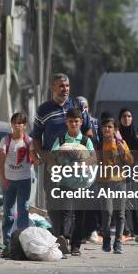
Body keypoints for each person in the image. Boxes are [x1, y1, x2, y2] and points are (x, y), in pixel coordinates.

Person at [31, 73, 91, 251]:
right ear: (53, 87)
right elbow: (36, 138)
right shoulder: (43, 110)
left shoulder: (76, 105)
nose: (65, 89)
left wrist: (83, 153)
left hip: (77, 167)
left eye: (67, 86)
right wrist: (43, 157)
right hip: (54, 164)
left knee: (76, 206)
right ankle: (60, 238)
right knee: (55, 204)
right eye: (61, 86)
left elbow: (88, 131)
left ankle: (73, 242)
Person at [50, 107, 98, 256]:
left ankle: (75, 246)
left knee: (80, 215)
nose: (73, 124)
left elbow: (94, 158)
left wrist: (82, 161)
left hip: (82, 183)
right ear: (66, 122)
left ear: (81, 122)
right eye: (70, 121)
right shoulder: (61, 139)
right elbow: (52, 157)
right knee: (66, 212)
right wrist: (62, 153)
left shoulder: (85, 140)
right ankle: (65, 239)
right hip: (66, 182)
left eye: (76, 121)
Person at [0, 112, 39, 246]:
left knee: (23, 211)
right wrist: (3, 178)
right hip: (9, 180)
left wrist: (41, 159)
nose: (17, 125)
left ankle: (21, 242)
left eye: (20, 123)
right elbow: (1, 159)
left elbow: (33, 157)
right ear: (11, 124)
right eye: (15, 122)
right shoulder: (5, 140)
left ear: (25, 126)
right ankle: (7, 243)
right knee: (8, 213)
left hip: (24, 180)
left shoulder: (29, 141)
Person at [98, 116, 134, 254]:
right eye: (105, 126)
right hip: (104, 183)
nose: (107, 129)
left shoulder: (121, 143)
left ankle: (118, 242)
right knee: (107, 212)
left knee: (120, 213)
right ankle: (106, 239)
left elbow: (130, 161)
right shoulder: (99, 144)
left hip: (120, 181)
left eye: (110, 127)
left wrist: (122, 151)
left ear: (115, 130)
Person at [118, 107, 138, 241]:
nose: (126, 119)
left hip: (134, 171)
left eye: (129, 116)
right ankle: (126, 230)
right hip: (120, 171)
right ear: (120, 119)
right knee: (123, 201)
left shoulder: (137, 133)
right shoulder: (117, 134)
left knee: (134, 201)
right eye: (124, 116)